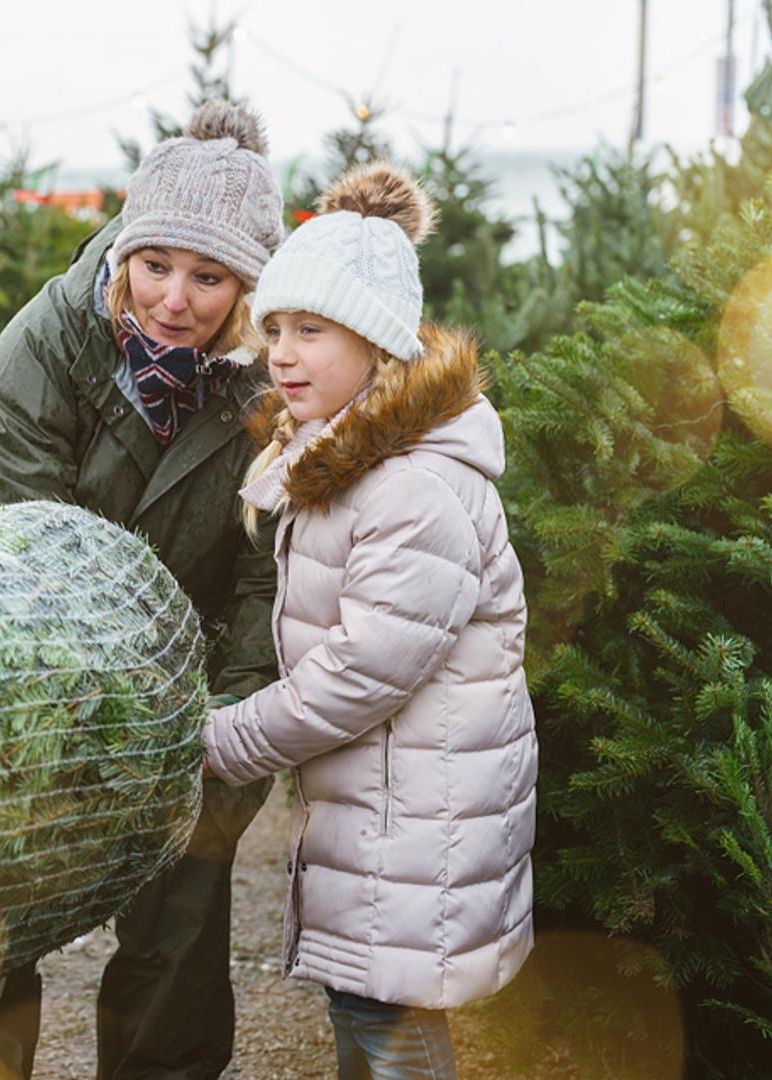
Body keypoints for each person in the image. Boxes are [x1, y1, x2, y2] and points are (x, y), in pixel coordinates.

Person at [0, 99, 288, 1080]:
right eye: (154, 264)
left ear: (246, 285)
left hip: (181, 688)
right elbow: (21, 553)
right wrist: (76, 727)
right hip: (14, 668)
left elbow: (265, 569)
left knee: (177, 940)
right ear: (122, 252)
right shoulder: (42, 348)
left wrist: (231, 725)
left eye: (208, 276)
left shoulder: (271, 383)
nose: (173, 299)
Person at [202, 162, 538, 1080]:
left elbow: (363, 669)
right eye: (273, 329)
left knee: (388, 1027)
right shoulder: (345, 462)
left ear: (376, 340)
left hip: (417, 817)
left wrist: (222, 740)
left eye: (310, 329)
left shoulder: (412, 488)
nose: (280, 353)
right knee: (363, 1009)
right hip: (387, 810)